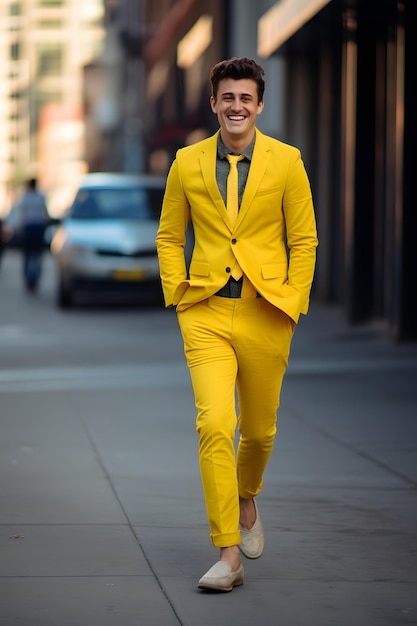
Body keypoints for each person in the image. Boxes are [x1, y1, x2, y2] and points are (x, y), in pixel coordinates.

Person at [156, 57, 318, 592]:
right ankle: (228, 552)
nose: (236, 107)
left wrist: (292, 303)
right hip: (204, 310)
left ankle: (247, 495)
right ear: (214, 104)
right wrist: (177, 293)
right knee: (215, 426)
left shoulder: (288, 162)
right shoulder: (186, 162)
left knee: (260, 430)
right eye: (227, 97)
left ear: (259, 105)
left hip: (266, 310)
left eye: (245, 98)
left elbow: (304, 240)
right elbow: (168, 236)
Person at [13, 178, 49, 291]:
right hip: (38, 228)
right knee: (36, 255)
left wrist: (18, 229)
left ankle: (29, 279)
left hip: (28, 228)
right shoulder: (41, 197)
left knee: (28, 255)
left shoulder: (25, 197)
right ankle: (34, 279)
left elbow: (20, 214)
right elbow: (46, 214)